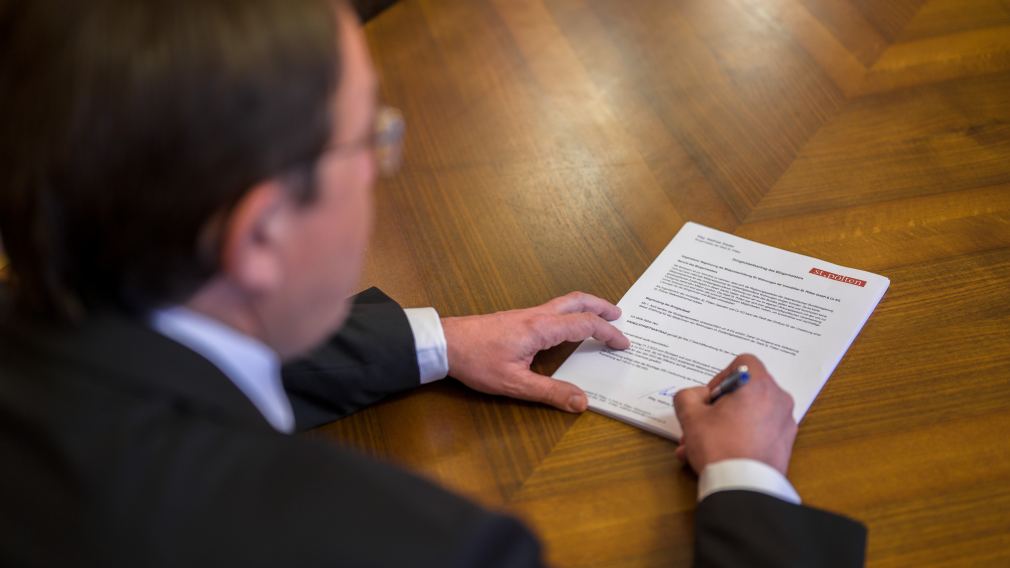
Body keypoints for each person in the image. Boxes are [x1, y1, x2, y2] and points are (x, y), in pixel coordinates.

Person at [0, 0, 866, 566]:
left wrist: (438, 341)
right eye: (369, 140)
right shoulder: (422, 550)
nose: (383, 166)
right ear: (261, 233)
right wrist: (749, 484)